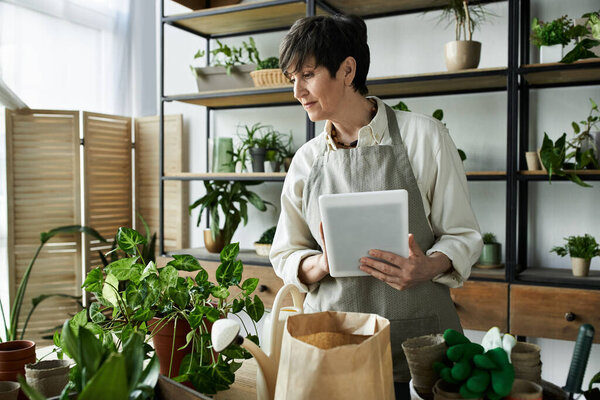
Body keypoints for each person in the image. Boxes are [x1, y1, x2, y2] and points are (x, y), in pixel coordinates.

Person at [269, 14, 483, 399]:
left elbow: (463, 235)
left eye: (307, 74)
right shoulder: (305, 161)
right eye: (291, 79)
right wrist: (321, 263)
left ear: (347, 70)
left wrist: (429, 266)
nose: (297, 90)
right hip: (334, 345)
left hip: (419, 345)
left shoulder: (425, 138)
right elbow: (285, 252)